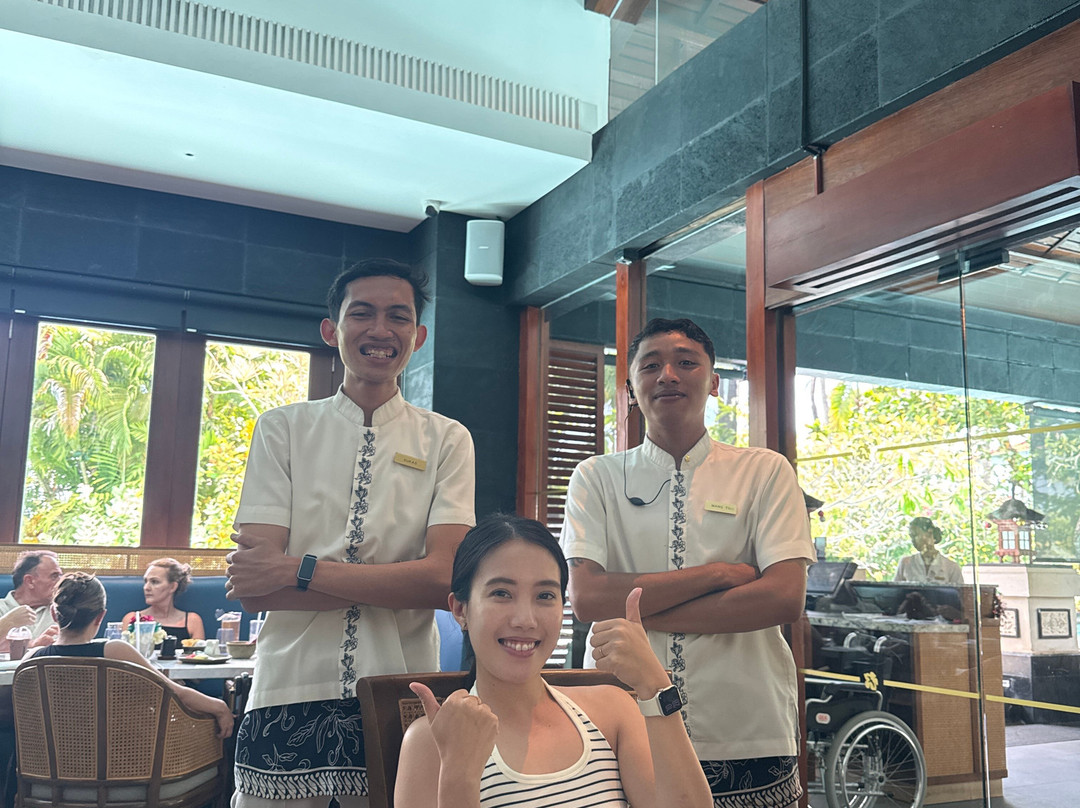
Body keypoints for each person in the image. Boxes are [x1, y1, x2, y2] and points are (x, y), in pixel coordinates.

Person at [225, 258, 475, 808]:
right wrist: (399, 582)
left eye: (398, 317)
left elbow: (443, 582)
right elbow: (256, 589)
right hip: (288, 683)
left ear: (418, 336)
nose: (380, 330)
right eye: (361, 313)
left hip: (402, 689)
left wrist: (298, 569)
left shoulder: (447, 440)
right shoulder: (283, 429)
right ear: (331, 329)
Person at [561, 318, 815, 808]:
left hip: (746, 724)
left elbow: (784, 597)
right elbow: (588, 598)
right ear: (630, 387)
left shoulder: (764, 471)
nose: (668, 375)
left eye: (685, 362)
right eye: (650, 365)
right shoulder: (596, 477)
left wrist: (634, 614)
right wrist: (719, 575)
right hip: (622, 718)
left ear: (714, 381)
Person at [396, 514, 711, 808]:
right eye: (501, 593)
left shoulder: (612, 711)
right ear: (460, 609)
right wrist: (458, 776)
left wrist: (654, 684)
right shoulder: (433, 740)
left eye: (545, 596)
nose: (525, 620)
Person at [24, 572, 233, 738]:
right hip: (120, 767)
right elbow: (174, 693)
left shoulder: (32, 659)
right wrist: (220, 707)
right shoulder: (115, 651)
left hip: (47, 771)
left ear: (53, 613)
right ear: (100, 616)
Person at [122, 558, 206, 642]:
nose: (146, 587)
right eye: (146, 581)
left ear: (172, 587)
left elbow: (198, 650)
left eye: (154, 582)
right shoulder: (132, 619)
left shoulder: (192, 621)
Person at [0, 550, 62, 653]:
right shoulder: (2, 608)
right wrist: (9, 622)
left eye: (60, 576)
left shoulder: (62, 609)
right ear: (29, 581)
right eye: (54, 576)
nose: (61, 581)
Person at [894, 517, 963, 585]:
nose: (913, 540)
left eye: (915, 535)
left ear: (929, 533)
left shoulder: (951, 567)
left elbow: (959, 591)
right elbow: (895, 590)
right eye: (911, 536)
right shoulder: (905, 564)